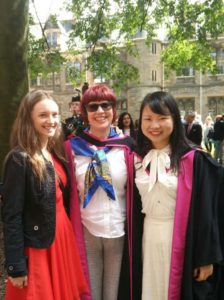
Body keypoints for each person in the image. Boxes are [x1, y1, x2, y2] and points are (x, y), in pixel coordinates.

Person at [133, 91, 223, 299]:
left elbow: (208, 213)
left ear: (174, 119)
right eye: (148, 119)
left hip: (184, 239)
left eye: (162, 118)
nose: (154, 125)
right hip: (148, 236)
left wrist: (206, 257)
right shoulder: (137, 158)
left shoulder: (194, 160)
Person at [1, 90, 89, 300]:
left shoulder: (54, 152)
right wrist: (16, 265)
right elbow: (11, 215)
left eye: (54, 114)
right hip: (38, 246)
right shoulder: (19, 158)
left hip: (62, 238)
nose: (51, 120)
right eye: (43, 115)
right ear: (28, 118)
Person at [64, 84, 135, 300]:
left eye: (106, 105)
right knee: (90, 293)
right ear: (85, 112)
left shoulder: (128, 147)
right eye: (93, 107)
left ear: (114, 109)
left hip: (119, 231)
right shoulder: (71, 148)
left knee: (114, 294)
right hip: (87, 231)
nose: (100, 111)